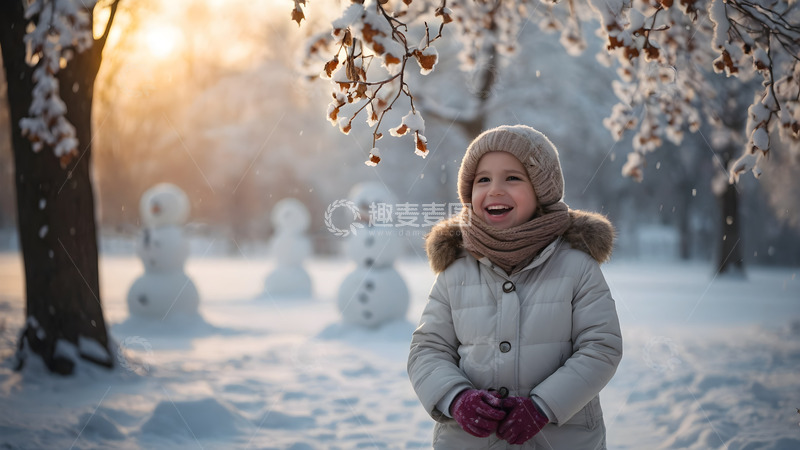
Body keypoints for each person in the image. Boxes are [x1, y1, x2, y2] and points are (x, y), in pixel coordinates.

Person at [407, 125, 622, 448]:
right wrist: (456, 398)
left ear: (542, 191)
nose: (494, 190)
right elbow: (428, 349)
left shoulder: (576, 265)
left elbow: (600, 347)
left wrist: (544, 405)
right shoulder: (457, 268)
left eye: (512, 178)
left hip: (562, 438)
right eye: (483, 180)